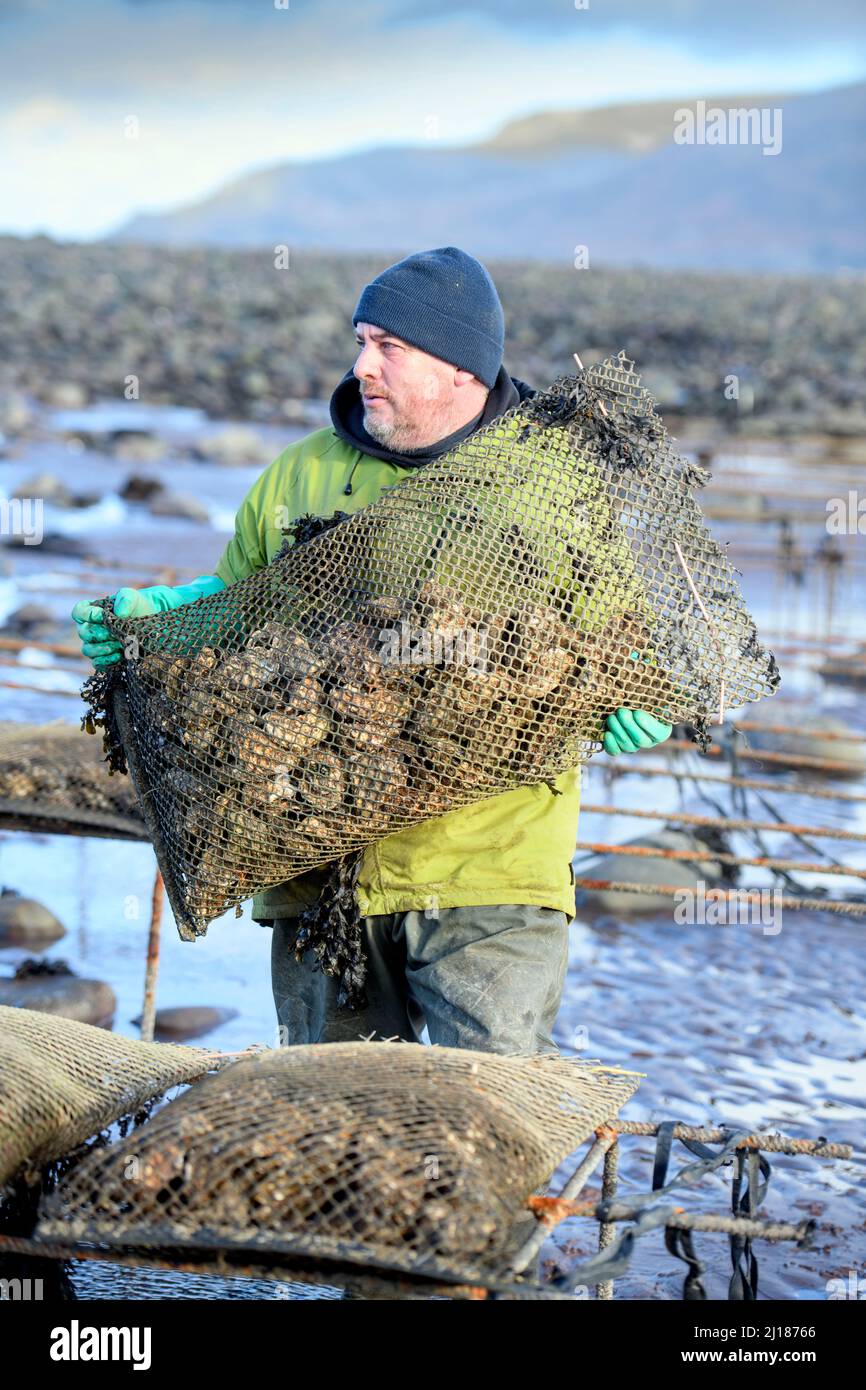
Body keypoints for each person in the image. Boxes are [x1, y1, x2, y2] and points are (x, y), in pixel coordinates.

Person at [72, 246, 671, 1056]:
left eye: (389, 347)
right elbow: (239, 620)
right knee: (334, 1128)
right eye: (362, 341)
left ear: (460, 367)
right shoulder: (300, 477)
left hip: (487, 867)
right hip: (316, 867)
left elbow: (625, 642)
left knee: (486, 1112)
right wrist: (168, 619)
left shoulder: (551, 486)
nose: (363, 366)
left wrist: (645, 701)